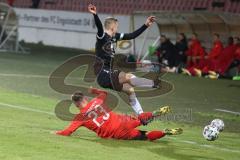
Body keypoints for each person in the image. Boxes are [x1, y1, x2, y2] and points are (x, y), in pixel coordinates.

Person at [88, 4, 160, 116]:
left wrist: (146, 25)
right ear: (112, 26)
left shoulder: (115, 36)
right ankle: (152, 83)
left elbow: (132, 35)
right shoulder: (102, 36)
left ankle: (142, 116)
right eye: (116, 26)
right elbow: (99, 26)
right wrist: (95, 15)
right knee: (128, 76)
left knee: (130, 90)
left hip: (108, 74)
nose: (117, 28)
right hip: (102, 72)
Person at [55, 87, 183, 141]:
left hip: (116, 132)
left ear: (77, 105)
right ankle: (154, 114)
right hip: (122, 119)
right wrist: (95, 90)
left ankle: (165, 132)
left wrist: (55, 132)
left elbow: (67, 132)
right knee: (141, 119)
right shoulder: (96, 100)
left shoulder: (80, 117)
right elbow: (104, 93)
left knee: (146, 136)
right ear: (84, 98)